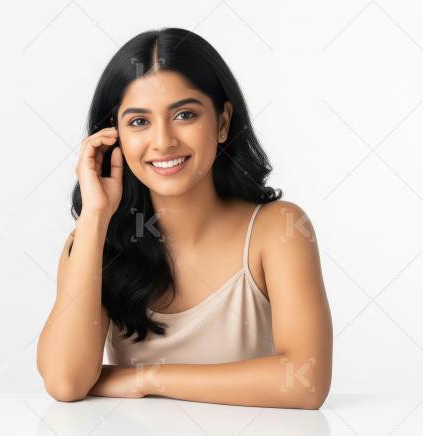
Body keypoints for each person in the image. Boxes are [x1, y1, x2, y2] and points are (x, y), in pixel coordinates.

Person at [36, 27, 332, 409]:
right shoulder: (96, 239)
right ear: (115, 138)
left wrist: (147, 377)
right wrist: (95, 215)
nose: (163, 141)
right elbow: (64, 381)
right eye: (139, 122)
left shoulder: (279, 230)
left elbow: (305, 383)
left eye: (185, 114)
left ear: (223, 122)